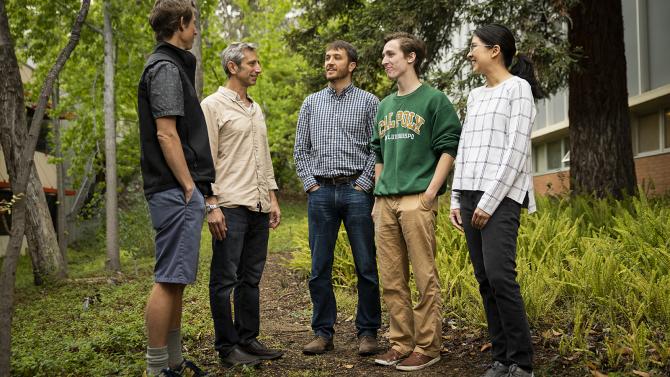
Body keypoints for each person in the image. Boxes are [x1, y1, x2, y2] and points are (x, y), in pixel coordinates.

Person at [449, 24, 543, 377]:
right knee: (485, 279)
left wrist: (490, 200)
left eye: (474, 46)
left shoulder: (518, 90)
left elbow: (516, 150)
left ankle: (522, 362)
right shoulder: (475, 96)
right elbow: (466, 148)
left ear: (495, 50)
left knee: (502, 277)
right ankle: (501, 358)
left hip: (501, 198)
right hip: (471, 193)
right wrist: (456, 198)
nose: (470, 53)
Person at [371, 32, 462, 372]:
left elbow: (448, 147)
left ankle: (428, 346)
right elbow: (377, 151)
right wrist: (379, 191)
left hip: (416, 199)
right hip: (385, 202)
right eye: (383, 55)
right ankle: (400, 343)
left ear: (411, 57)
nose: (385, 60)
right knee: (392, 279)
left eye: (390, 53)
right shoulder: (384, 105)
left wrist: (429, 193)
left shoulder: (434, 100)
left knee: (424, 278)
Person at [137, 1, 212, 376]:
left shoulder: (171, 65)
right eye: (193, 23)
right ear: (180, 24)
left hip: (177, 190)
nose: (196, 30)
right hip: (173, 190)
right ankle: (157, 369)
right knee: (168, 279)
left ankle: (174, 363)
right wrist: (188, 186)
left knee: (176, 280)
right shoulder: (165, 68)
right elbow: (166, 134)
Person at [293, 40, 382, 356]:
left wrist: (361, 185)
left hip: (357, 192)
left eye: (336, 57)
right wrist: (311, 186)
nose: (329, 62)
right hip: (320, 192)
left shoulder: (370, 102)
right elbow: (301, 149)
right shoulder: (311, 103)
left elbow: (378, 148)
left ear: (352, 65)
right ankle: (322, 332)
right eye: (327, 57)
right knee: (319, 267)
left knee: (366, 266)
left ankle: (368, 332)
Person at [201, 42, 283, 369]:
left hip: (258, 205)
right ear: (233, 67)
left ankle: (248, 339)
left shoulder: (255, 108)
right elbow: (204, 158)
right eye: (252, 63)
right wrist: (211, 204)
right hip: (229, 205)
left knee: (251, 278)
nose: (258, 68)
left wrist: (273, 197)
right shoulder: (212, 105)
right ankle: (227, 347)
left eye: (258, 62)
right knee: (225, 279)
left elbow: (263, 157)